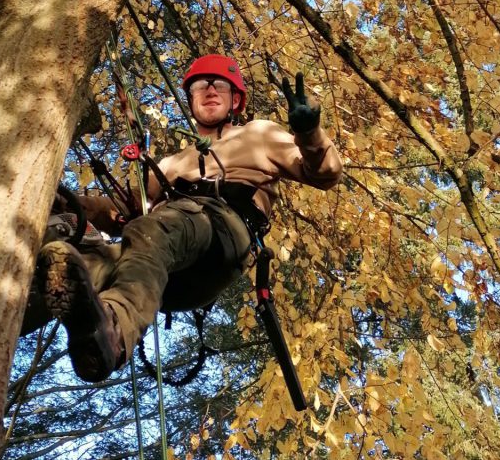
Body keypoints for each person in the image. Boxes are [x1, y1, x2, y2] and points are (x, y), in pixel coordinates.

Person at [32, 54, 342, 382]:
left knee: (159, 225)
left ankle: (113, 331)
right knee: (91, 260)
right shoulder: (169, 164)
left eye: (218, 85)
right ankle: (48, 315)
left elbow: (325, 173)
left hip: (223, 233)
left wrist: (310, 135)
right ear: (190, 99)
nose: (209, 90)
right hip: (162, 268)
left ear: (235, 100)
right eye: (199, 86)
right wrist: (65, 202)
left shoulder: (259, 133)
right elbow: (120, 209)